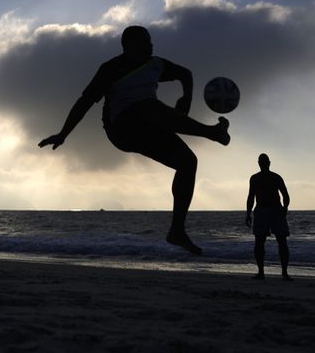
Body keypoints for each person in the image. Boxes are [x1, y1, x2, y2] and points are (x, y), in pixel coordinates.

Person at [39, 25, 231, 255]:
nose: (151, 45)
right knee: (147, 106)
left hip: (150, 127)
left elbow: (185, 74)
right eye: (146, 41)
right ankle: (212, 133)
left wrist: (186, 100)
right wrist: (63, 133)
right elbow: (85, 102)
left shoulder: (156, 64)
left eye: (151, 41)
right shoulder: (111, 69)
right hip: (121, 129)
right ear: (129, 45)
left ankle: (176, 231)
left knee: (188, 162)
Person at [245, 153, 292, 280]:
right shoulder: (255, 178)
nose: (263, 164)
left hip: (275, 210)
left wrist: (285, 208)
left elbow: (286, 195)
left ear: (268, 163)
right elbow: (251, 197)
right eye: (261, 161)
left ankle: (283, 273)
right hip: (263, 210)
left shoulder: (275, 177)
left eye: (264, 161)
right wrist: (248, 213)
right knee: (261, 242)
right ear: (259, 163)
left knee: (280, 241)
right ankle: (263, 272)